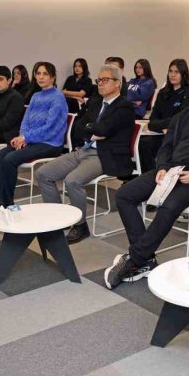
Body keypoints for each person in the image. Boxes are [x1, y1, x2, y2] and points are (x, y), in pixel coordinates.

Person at [105, 72, 189, 289]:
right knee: (124, 195)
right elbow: (166, 146)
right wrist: (162, 167)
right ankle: (144, 259)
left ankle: (135, 259)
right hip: (170, 171)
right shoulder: (186, 115)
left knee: (168, 207)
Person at [36, 64, 135, 244]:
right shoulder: (96, 102)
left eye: (106, 80)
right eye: (99, 80)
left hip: (105, 155)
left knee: (72, 180)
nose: (100, 84)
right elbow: (78, 126)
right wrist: (92, 130)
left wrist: (92, 128)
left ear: (118, 83)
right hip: (84, 149)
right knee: (43, 174)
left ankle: (80, 226)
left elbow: (105, 129)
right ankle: (60, 218)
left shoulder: (125, 107)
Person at [0, 62, 68, 211]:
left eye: (45, 74)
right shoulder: (36, 96)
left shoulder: (58, 97)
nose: (41, 77)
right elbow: (25, 121)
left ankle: (7, 204)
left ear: (53, 77)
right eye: (38, 73)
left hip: (50, 144)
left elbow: (51, 129)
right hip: (31, 140)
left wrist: (26, 138)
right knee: (0, 156)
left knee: (10, 159)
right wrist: (22, 136)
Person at [138, 59, 189, 172]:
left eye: (176, 72)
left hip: (177, 134)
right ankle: (144, 177)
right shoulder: (163, 92)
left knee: (145, 145)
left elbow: (179, 119)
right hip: (160, 132)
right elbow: (153, 118)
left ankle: (154, 178)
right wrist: (161, 126)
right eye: (170, 71)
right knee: (139, 141)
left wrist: (159, 125)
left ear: (184, 74)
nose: (172, 75)